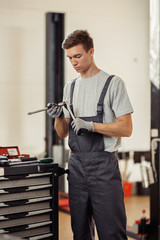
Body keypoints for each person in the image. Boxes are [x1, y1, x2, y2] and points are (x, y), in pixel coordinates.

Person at [47, 30, 133, 240]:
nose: (73, 62)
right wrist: (58, 117)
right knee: (80, 232)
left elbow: (126, 128)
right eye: (69, 58)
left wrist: (93, 126)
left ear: (91, 52)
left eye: (78, 56)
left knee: (111, 232)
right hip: (76, 167)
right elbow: (63, 133)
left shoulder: (113, 83)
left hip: (103, 168)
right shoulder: (70, 87)